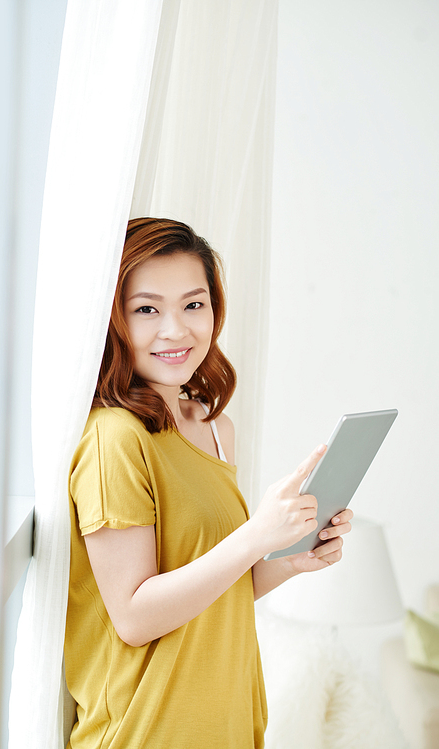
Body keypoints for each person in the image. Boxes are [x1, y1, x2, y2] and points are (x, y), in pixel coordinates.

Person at [64, 217, 353, 749]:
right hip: (148, 733)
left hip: (227, 725)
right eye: (147, 309)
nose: (176, 330)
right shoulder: (114, 438)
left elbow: (216, 589)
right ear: (113, 320)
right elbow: (133, 616)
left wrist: (286, 559)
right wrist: (256, 534)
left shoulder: (214, 428)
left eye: (193, 305)